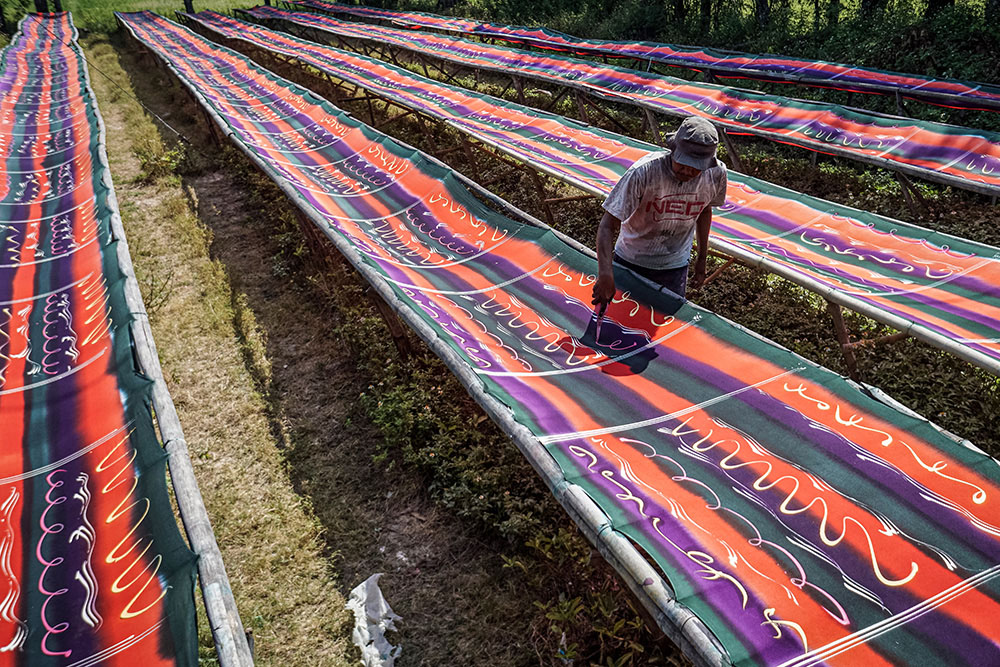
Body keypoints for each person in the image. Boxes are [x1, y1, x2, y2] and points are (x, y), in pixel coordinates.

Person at [592, 116, 728, 307]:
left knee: (657, 326)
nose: (688, 171)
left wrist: (702, 259)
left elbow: (705, 211)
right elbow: (607, 225)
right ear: (674, 151)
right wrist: (605, 273)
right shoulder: (644, 172)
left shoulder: (716, 174)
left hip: (674, 267)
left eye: (696, 168)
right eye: (683, 163)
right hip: (630, 261)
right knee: (614, 323)